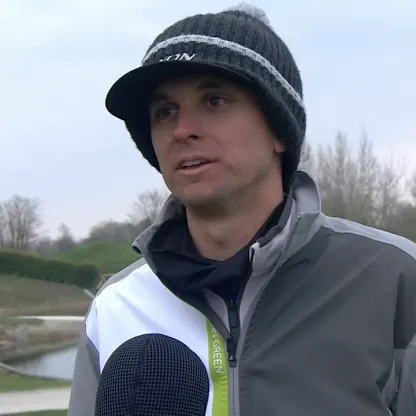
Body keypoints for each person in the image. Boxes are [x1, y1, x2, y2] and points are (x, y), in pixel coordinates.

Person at [68, 4, 416, 415]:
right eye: (165, 112)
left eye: (214, 101)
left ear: (279, 131)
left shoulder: (395, 279)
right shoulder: (117, 307)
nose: (182, 130)